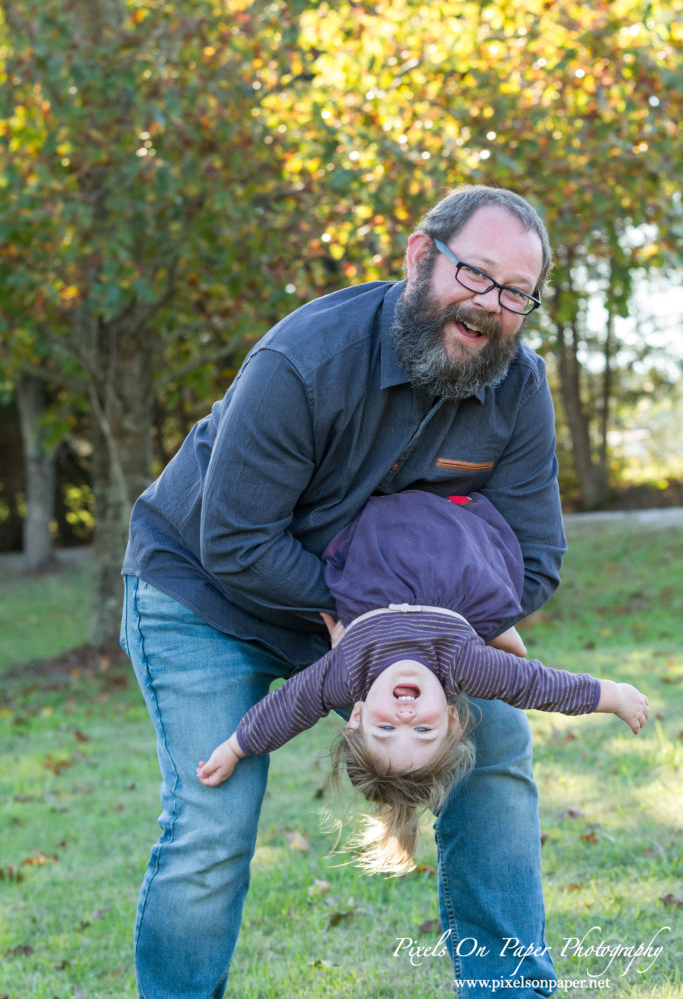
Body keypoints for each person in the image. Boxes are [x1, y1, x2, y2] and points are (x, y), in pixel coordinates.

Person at [121, 185, 582, 998]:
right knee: (213, 816)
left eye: (515, 293)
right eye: (474, 275)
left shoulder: (517, 392)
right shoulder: (304, 361)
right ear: (418, 258)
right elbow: (234, 539)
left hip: (368, 617)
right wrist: (389, 618)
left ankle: (513, 990)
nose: (488, 306)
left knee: (499, 746)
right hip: (200, 595)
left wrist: (432, 624)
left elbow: (536, 561)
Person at [195, 491, 648, 875]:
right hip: (456, 534)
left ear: (356, 715)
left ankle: (501, 636)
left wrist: (235, 747)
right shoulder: (462, 665)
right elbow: (542, 687)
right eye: (423, 730)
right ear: (452, 719)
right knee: (504, 640)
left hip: (377, 533)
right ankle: (498, 633)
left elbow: (289, 708)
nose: (405, 717)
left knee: (345, 574)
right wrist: (614, 697)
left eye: (387, 729)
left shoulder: (348, 670)